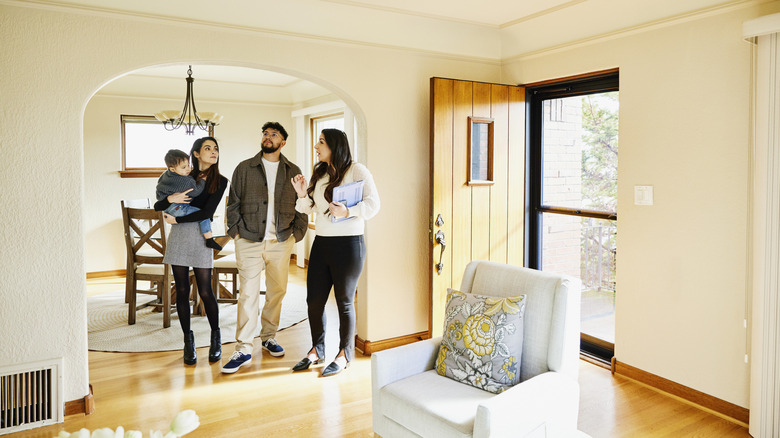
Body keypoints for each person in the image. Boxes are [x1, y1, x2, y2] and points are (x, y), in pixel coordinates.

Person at [290, 128, 380, 377]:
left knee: (344, 301)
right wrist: (300, 193)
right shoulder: (319, 173)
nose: (316, 146)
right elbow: (310, 208)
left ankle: (344, 354)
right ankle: (317, 350)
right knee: (314, 300)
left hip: (349, 245)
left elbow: (374, 204)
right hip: (322, 243)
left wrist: (348, 211)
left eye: (321, 142)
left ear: (335, 145)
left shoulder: (357, 170)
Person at [220, 121, 308, 374]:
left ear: (283, 142)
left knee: (277, 291)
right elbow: (232, 202)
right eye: (265, 134)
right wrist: (235, 232)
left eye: (274, 135)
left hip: (281, 241)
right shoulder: (245, 168)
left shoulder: (293, 170)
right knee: (247, 293)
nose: (268, 138)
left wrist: (297, 234)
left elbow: (303, 200)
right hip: (248, 239)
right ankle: (243, 347)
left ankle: (269, 336)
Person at [154, 137, 228, 366]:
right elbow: (158, 206)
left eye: (216, 148)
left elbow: (207, 212)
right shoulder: (184, 175)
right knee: (183, 290)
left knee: (206, 291)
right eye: (208, 148)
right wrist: (170, 199)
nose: (213, 152)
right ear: (196, 154)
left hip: (200, 237)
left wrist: (175, 219)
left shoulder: (221, 180)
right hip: (179, 240)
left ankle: (216, 336)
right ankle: (188, 340)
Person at [156, 149, 222, 251]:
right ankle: (209, 239)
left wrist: (169, 199)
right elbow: (196, 191)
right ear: (172, 169)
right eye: (184, 167)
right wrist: (202, 181)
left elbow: (158, 202)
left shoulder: (165, 176)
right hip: (179, 208)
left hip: (169, 209)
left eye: (188, 165)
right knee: (204, 217)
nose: (188, 169)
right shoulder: (184, 180)